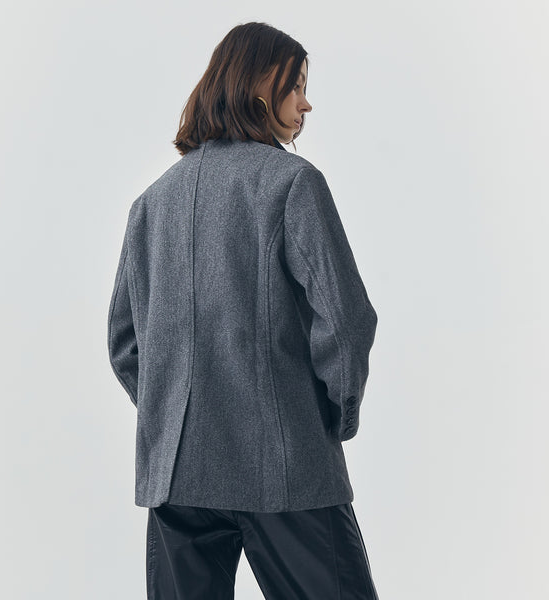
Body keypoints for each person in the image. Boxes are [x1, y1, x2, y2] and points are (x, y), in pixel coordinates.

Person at [107, 21, 379, 600]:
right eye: (296, 85)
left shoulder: (150, 204)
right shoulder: (292, 183)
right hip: (284, 468)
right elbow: (346, 322)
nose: (306, 103)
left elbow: (125, 344)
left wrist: (174, 415)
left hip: (177, 480)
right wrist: (332, 418)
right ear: (260, 82)